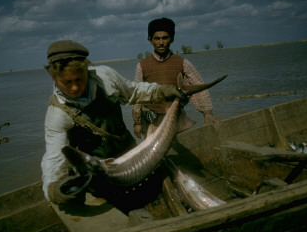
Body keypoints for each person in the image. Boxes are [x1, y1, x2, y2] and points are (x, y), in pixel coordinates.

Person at [41, 39, 198, 211]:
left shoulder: (105, 76)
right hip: (101, 172)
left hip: (131, 152)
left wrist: (164, 91)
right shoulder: (57, 114)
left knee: (156, 188)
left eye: (79, 79)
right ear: (52, 76)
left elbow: (135, 92)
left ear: (87, 68)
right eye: (66, 82)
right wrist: (54, 188)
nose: (74, 87)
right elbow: (53, 159)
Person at [132, 17, 220, 139]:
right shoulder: (142, 65)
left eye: (165, 38)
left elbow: (199, 88)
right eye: (157, 38)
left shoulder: (183, 63)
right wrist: (137, 122)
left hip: (176, 118)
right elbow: (137, 96)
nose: (161, 42)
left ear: (171, 39)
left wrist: (207, 112)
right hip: (151, 121)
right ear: (150, 40)